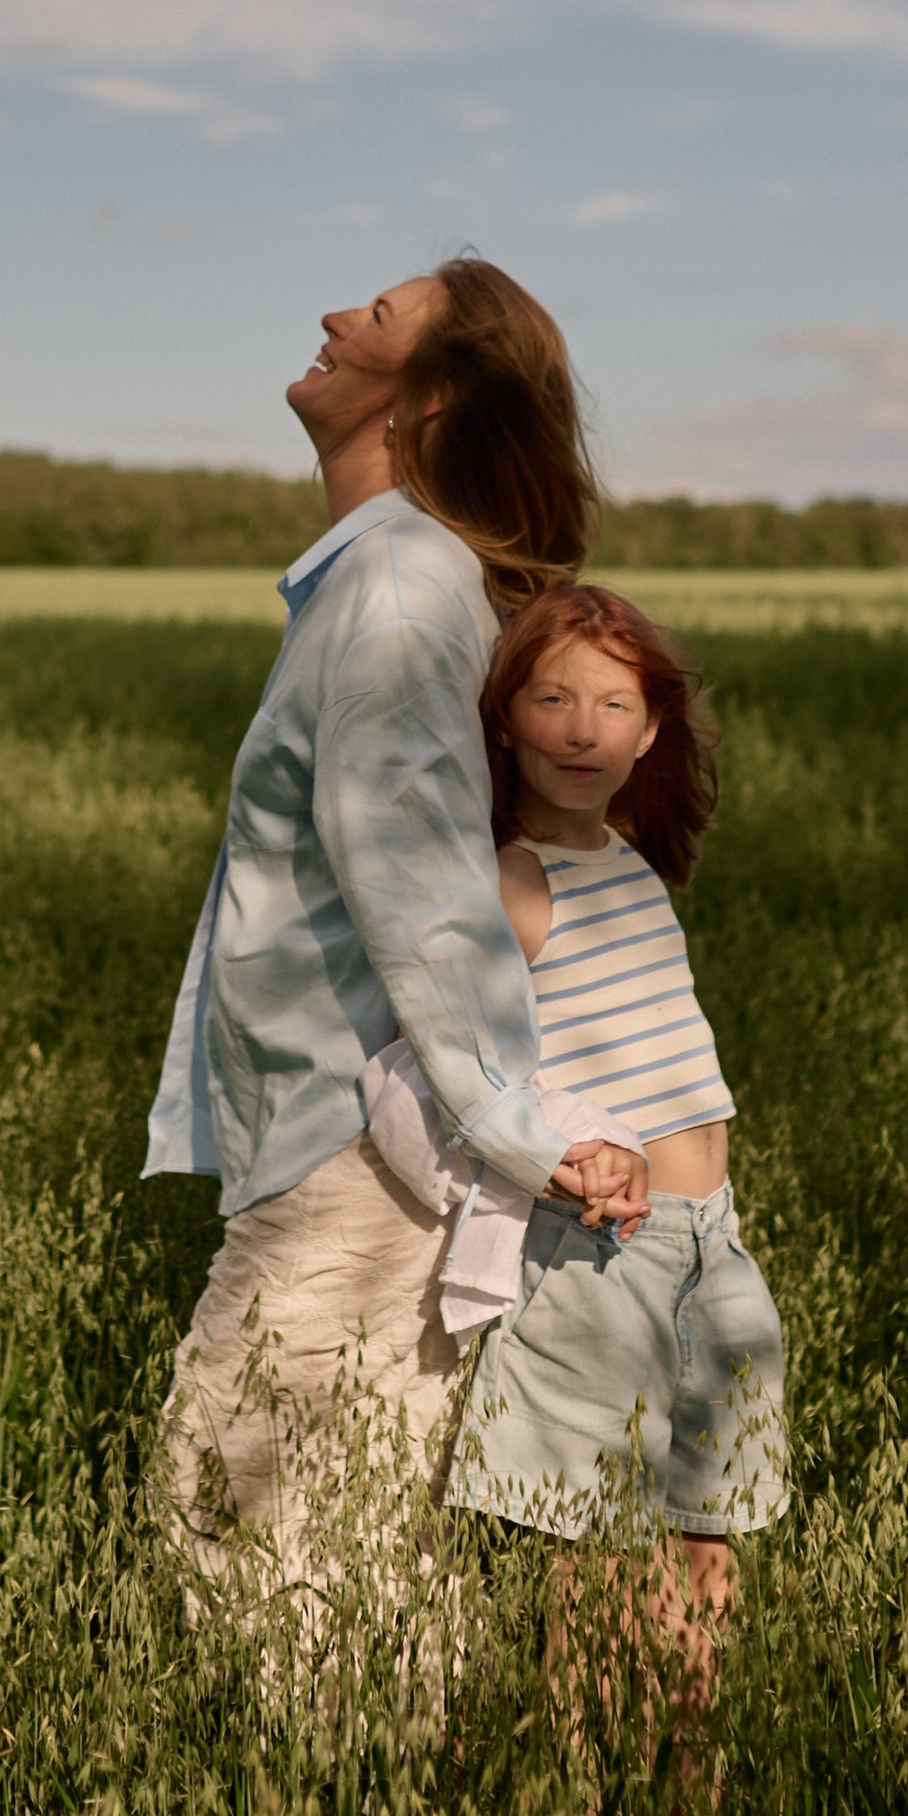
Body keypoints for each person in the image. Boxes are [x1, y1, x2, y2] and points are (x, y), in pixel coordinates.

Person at [145, 258, 647, 1621]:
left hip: (358, 1148)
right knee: (334, 1542)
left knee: (249, 1530)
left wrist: (515, 1130)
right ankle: (390, 1760)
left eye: (372, 315)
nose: (329, 316)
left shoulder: (399, 591)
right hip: (342, 1133)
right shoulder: (389, 579)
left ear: (430, 401)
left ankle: (353, 1767)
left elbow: (427, 895)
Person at [440, 583, 787, 1727]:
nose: (581, 728)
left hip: (711, 1244)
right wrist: (556, 1150)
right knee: (597, 1571)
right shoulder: (514, 880)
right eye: (550, 698)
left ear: (649, 729)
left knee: (707, 1548)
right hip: (598, 1252)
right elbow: (452, 1064)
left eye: (612, 703)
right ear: (502, 720)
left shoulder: (627, 859)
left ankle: (689, 1811)